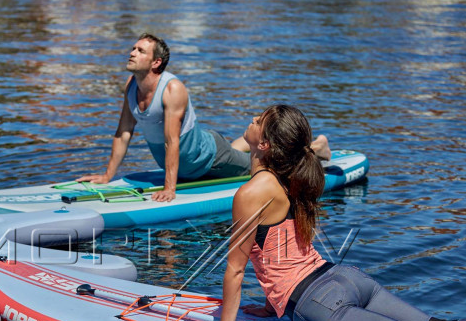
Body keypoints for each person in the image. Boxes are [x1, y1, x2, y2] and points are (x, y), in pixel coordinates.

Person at [182, 105, 466, 321]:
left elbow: (236, 269)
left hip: (318, 304)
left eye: (258, 120)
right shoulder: (292, 177)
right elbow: (282, 250)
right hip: (343, 278)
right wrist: (274, 304)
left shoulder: (251, 193)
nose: (252, 119)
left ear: (266, 145)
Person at [77, 33, 332, 202]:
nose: (131, 52)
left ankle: (315, 148)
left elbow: (172, 141)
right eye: (133, 48)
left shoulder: (172, 89)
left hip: (208, 159)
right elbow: (123, 132)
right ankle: (243, 145)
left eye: (140, 50)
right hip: (194, 161)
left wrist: (170, 188)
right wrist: (107, 176)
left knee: (261, 165)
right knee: (237, 153)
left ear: (156, 62)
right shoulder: (131, 85)